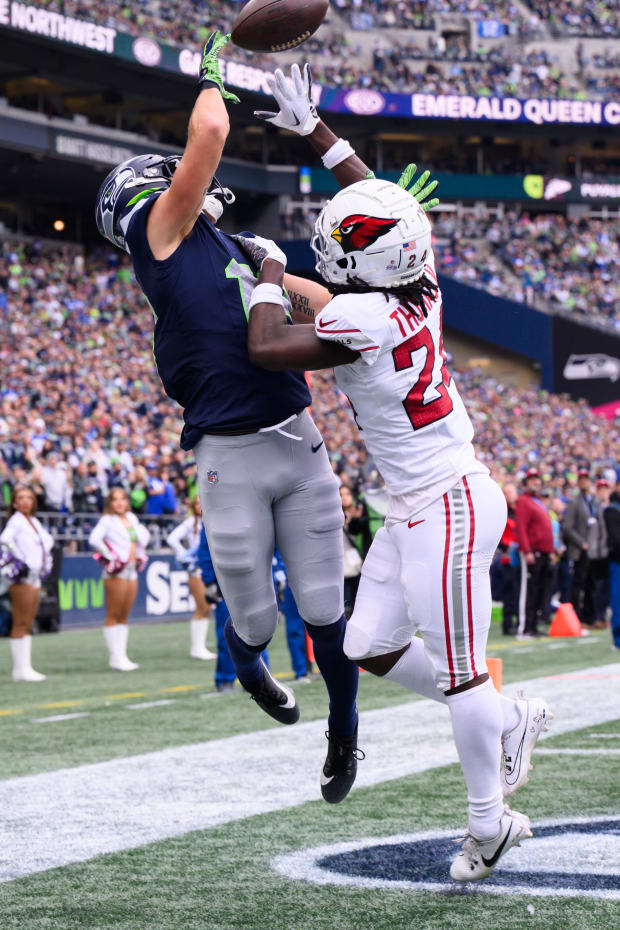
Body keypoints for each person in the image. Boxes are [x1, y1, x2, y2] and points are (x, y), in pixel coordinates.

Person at [244, 75, 552, 878]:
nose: (330, 250)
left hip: (446, 503)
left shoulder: (363, 319)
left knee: (460, 676)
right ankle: (510, 717)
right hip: (424, 499)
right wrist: (315, 131)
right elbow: (383, 208)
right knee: (368, 643)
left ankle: (491, 822)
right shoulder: (416, 285)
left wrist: (271, 275)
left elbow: (270, 346)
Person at [95, 36, 407, 803]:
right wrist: (215, 65)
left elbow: (331, 305)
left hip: (298, 443)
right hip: (228, 456)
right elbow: (207, 134)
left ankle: (345, 730)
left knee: (327, 608)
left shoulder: (234, 245)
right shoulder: (158, 237)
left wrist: (328, 264)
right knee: (257, 618)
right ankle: (252, 667)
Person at [88, 488, 150, 671]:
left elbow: (143, 540)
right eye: (115, 499)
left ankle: (122, 656)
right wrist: (111, 557)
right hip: (117, 571)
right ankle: (115, 657)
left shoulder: (132, 518)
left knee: (124, 615)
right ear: (110, 503)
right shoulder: (107, 520)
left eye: (122, 499)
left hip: (132, 568)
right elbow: (94, 539)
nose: (119, 503)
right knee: (113, 614)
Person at [0, 486, 53, 681]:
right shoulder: (16, 521)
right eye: (20, 498)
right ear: (14, 502)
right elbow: (4, 540)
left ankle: (25, 667)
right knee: (20, 622)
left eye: (29, 498)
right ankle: (19, 669)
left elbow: (47, 543)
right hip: (22, 577)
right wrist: (20, 559)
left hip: (35, 576)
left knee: (28, 622)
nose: (25, 501)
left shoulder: (34, 522)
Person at [166, 496, 217, 660]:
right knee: (202, 606)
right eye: (197, 504)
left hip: (210, 566)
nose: (200, 507)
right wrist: (185, 555)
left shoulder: (213, 519)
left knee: (207, 608)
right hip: (197, 569)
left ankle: (200, 646)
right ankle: (197, 648)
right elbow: (171, 538)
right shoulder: (191, 522)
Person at [562, 468, 608, 629]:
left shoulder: (595, 501)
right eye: (581, 479)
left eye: (586, 478)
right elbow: (567, 527)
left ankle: (591, 618)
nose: (584, 481)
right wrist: (581, 543)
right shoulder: (574, 502)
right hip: (581, 550)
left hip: (595, 550)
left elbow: (601, 524)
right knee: (578, 584)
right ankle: (577, 619)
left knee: (592, 585)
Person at [515, 468, 555, 639]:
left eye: (537, 478)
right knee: (529, 591)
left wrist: (551, 551)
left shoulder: (537, 501)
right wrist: (526, 550)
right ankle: (525, 628)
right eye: (531, 479)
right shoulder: (524, 501)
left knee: (539, 591)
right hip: (533, 552)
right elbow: (521, 528)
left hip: (544, 552)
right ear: (526, 482)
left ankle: (533, 626)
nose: (535, 482)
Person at [498, 483, 520, 635]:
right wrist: (504, 547)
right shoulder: (500, 511)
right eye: (505, 492)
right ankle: (508, 624)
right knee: (509, 592)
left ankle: (520, 621)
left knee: (520, 591)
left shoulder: (520, 510)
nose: (508, 495)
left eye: (510, 492)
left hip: (520, 556)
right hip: (508, 557)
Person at [604, 490, 620, 650]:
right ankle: (618, 639)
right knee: (617, 602)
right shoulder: (612, 510)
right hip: (617, 562)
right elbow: (616, 539)